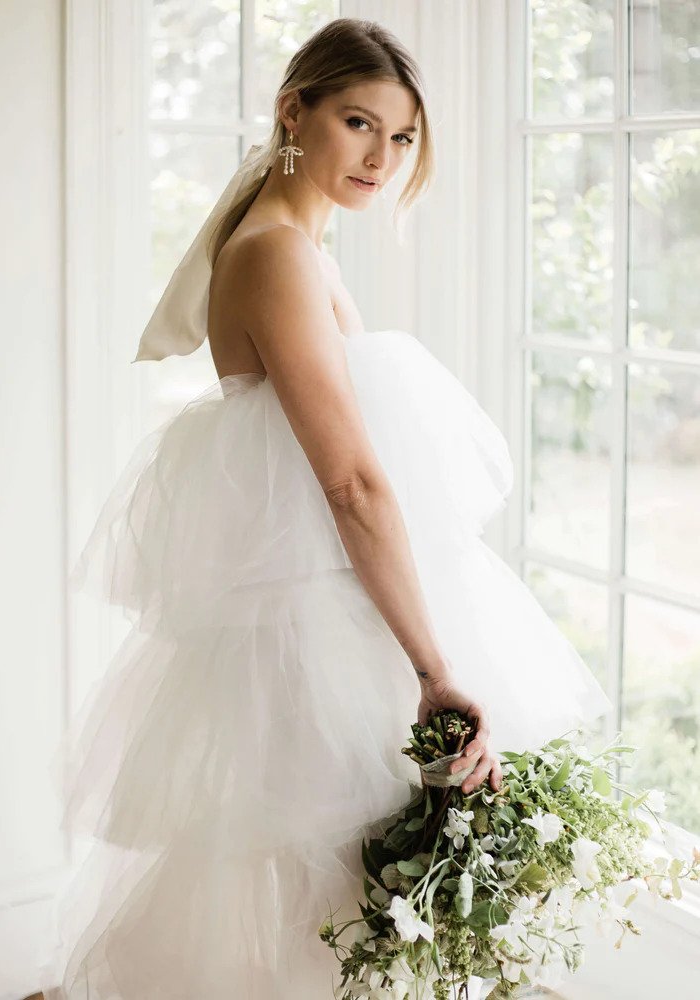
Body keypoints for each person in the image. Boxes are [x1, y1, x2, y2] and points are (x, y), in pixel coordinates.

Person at [37, 17, 612, 1000]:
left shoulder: (291, 243)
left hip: (335, 611)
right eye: (359, 123)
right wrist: (433, 669)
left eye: (402, 139)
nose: (382, 159)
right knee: (327, 908)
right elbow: (351, 483)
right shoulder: (278, 255)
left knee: (345, 908)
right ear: (292, 111)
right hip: (318, 629)